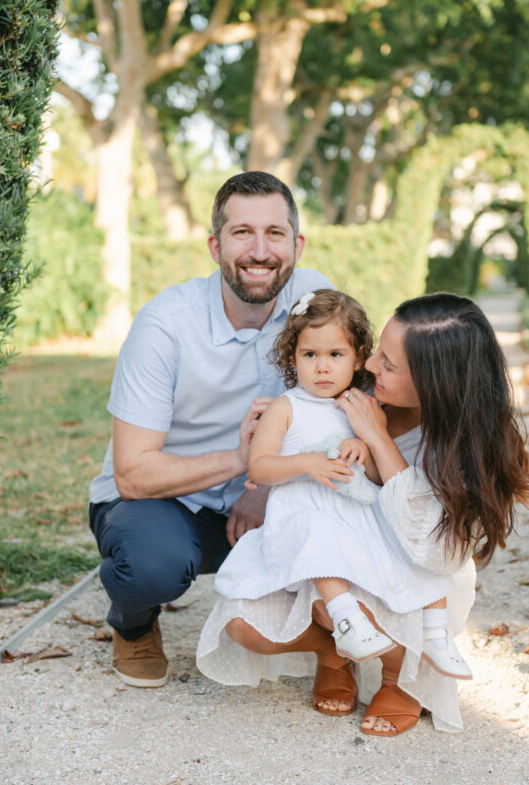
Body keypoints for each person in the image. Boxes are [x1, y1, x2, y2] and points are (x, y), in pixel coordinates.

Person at [197, 292, 529, 735]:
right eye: (377, 350)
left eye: (389, 363)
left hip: (415, 565)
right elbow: (300, 453)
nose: (371, 365)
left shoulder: (471, 446)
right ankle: (335, 652)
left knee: (333, 600)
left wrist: (377, 438)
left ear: (437, 381)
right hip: (332, 542)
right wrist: (272, 464)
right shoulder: (348, 391)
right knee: (245, 623)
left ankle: (403, 677)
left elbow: (433, 550)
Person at [88, 171, 332, 688]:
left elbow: (342, 404)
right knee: (152, 566)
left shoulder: (312, 298)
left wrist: (268, 485)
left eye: (275, 233)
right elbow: (133, 474)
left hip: (263, 495)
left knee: (352, 501)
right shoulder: (164, 326)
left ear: (297, 244)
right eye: (242, 233)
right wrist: (246, 462)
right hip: (162, 501)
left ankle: (333, 639)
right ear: (215, 245)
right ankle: (132, 624)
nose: (260, 251)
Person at [199, 288, 471, 675]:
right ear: (292, 357)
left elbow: (380, 479)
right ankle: (346, 621)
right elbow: (258, 469)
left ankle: (436, 637)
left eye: (335, 355)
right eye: (310, 355)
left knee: (408, 560)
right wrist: (305, 463)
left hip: (357, 513)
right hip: (306, 511)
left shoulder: (361, 405)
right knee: (321, 540)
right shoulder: (285, 407)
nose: (322, 367)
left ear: (359, 357)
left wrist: (362, 450)